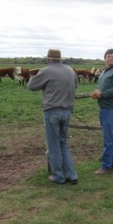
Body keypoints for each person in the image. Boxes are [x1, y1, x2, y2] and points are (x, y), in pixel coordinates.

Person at [27, 49, 78, 184]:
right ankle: (72, 175)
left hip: (52, 112)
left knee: (53, 144)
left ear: (48, 60)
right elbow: (76, 85)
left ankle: (58, 176)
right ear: (60, 59)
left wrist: (33, 76)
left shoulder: (46, 71)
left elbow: (31, 86)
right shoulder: (70, 70)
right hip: (67, 111)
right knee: (63, 143)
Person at [90, 49, 113, 175]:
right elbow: (103, 88)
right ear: (105, 58)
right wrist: (97, 92)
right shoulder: (105, 72)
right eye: (108, 56)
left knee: (108, 138)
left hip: (110, 108)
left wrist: (102, 94)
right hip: (104, 107)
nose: (110, 58)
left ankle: (105, 166)